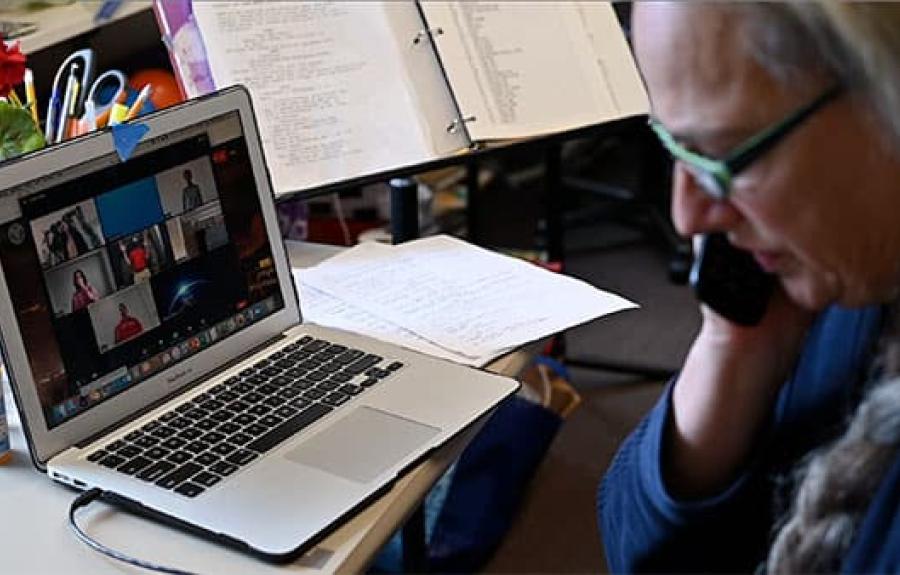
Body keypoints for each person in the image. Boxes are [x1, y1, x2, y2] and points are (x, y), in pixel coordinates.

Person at [599, 4, 900, 574]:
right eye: (676, 149)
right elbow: (633, 552)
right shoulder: (837, 275)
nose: (685, 217)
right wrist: (733, 353)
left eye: (722, 154)